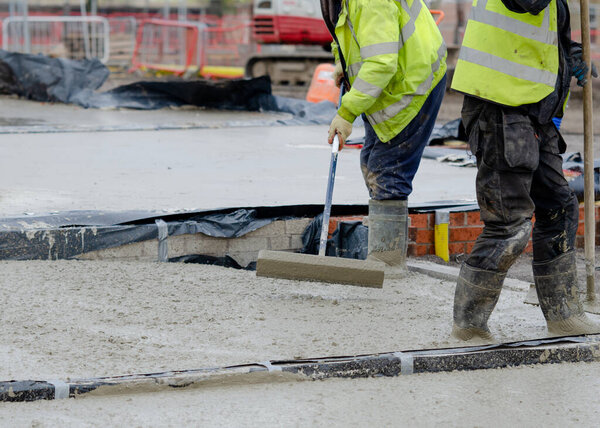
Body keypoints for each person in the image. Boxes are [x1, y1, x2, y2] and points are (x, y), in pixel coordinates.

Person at [450, 0, 600, 339]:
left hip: (536, 108)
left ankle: (563, 314)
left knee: (559, 208)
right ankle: (469, 325)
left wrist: (570, 53)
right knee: (509, 224)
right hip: (499, 107)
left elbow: (546, 36)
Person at [320, 0, 447, 274]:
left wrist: (347, 113)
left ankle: (388, 266)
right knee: (373, 162)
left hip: (411, 83)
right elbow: (344, 33)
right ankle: (384, 258)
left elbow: (381, 62)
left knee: (387, 169)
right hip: (397, 77)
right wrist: (342, 63)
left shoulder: (370, 2)